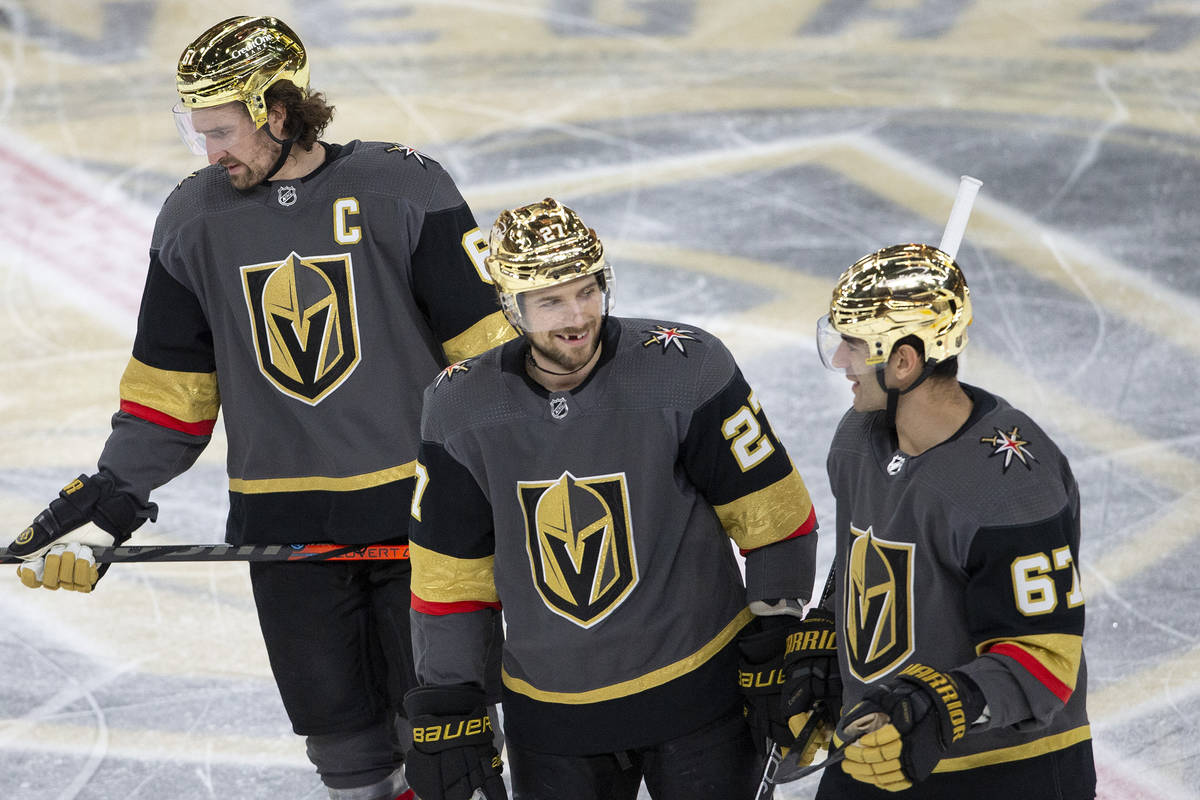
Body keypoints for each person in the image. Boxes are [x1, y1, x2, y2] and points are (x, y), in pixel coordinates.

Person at [8, 15, 514, 800]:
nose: (209, 153)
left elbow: (487, 364)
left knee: (448, 744)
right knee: (345, 750)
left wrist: (524, 474)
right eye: (195, 132)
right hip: (284, 527)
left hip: (426, 518)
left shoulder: (403, 188)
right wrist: (112, 498)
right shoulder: (193, 219)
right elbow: (170, 392)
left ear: (278, 110)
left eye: (221, 130)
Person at [401, 197, 823, 800]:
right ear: (511, 307)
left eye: (587, 290)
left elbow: (775, 516)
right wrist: (449, 698)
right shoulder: (459, 408)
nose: (576, 316)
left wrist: (777, 631)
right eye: (550, 300)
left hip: (704, 695)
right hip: (553, 721)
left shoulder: (686, 368)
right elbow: (451, 576)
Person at [808, 242, 1096, 798]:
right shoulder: (856, 440)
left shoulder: (1014, 485)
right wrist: (824, 633)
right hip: (874, 757)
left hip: (1009, 772)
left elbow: (1044, 660)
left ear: (904, 361)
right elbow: (862, 560)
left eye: (853, 344)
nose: (841, 359)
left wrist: (941, 704)